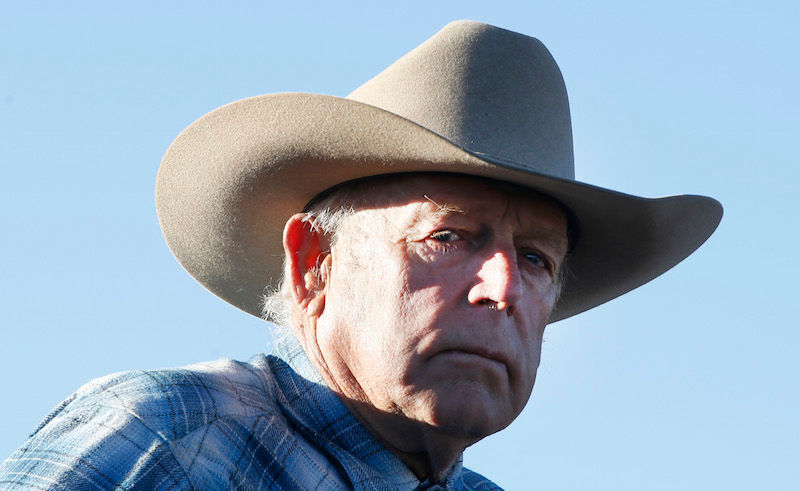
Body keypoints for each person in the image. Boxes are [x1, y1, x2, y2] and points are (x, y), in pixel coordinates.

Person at [0, 20, 721, 489]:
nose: (502, 285)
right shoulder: (172, 438)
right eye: (448, 236)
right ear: (314, 262)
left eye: (536, 259)